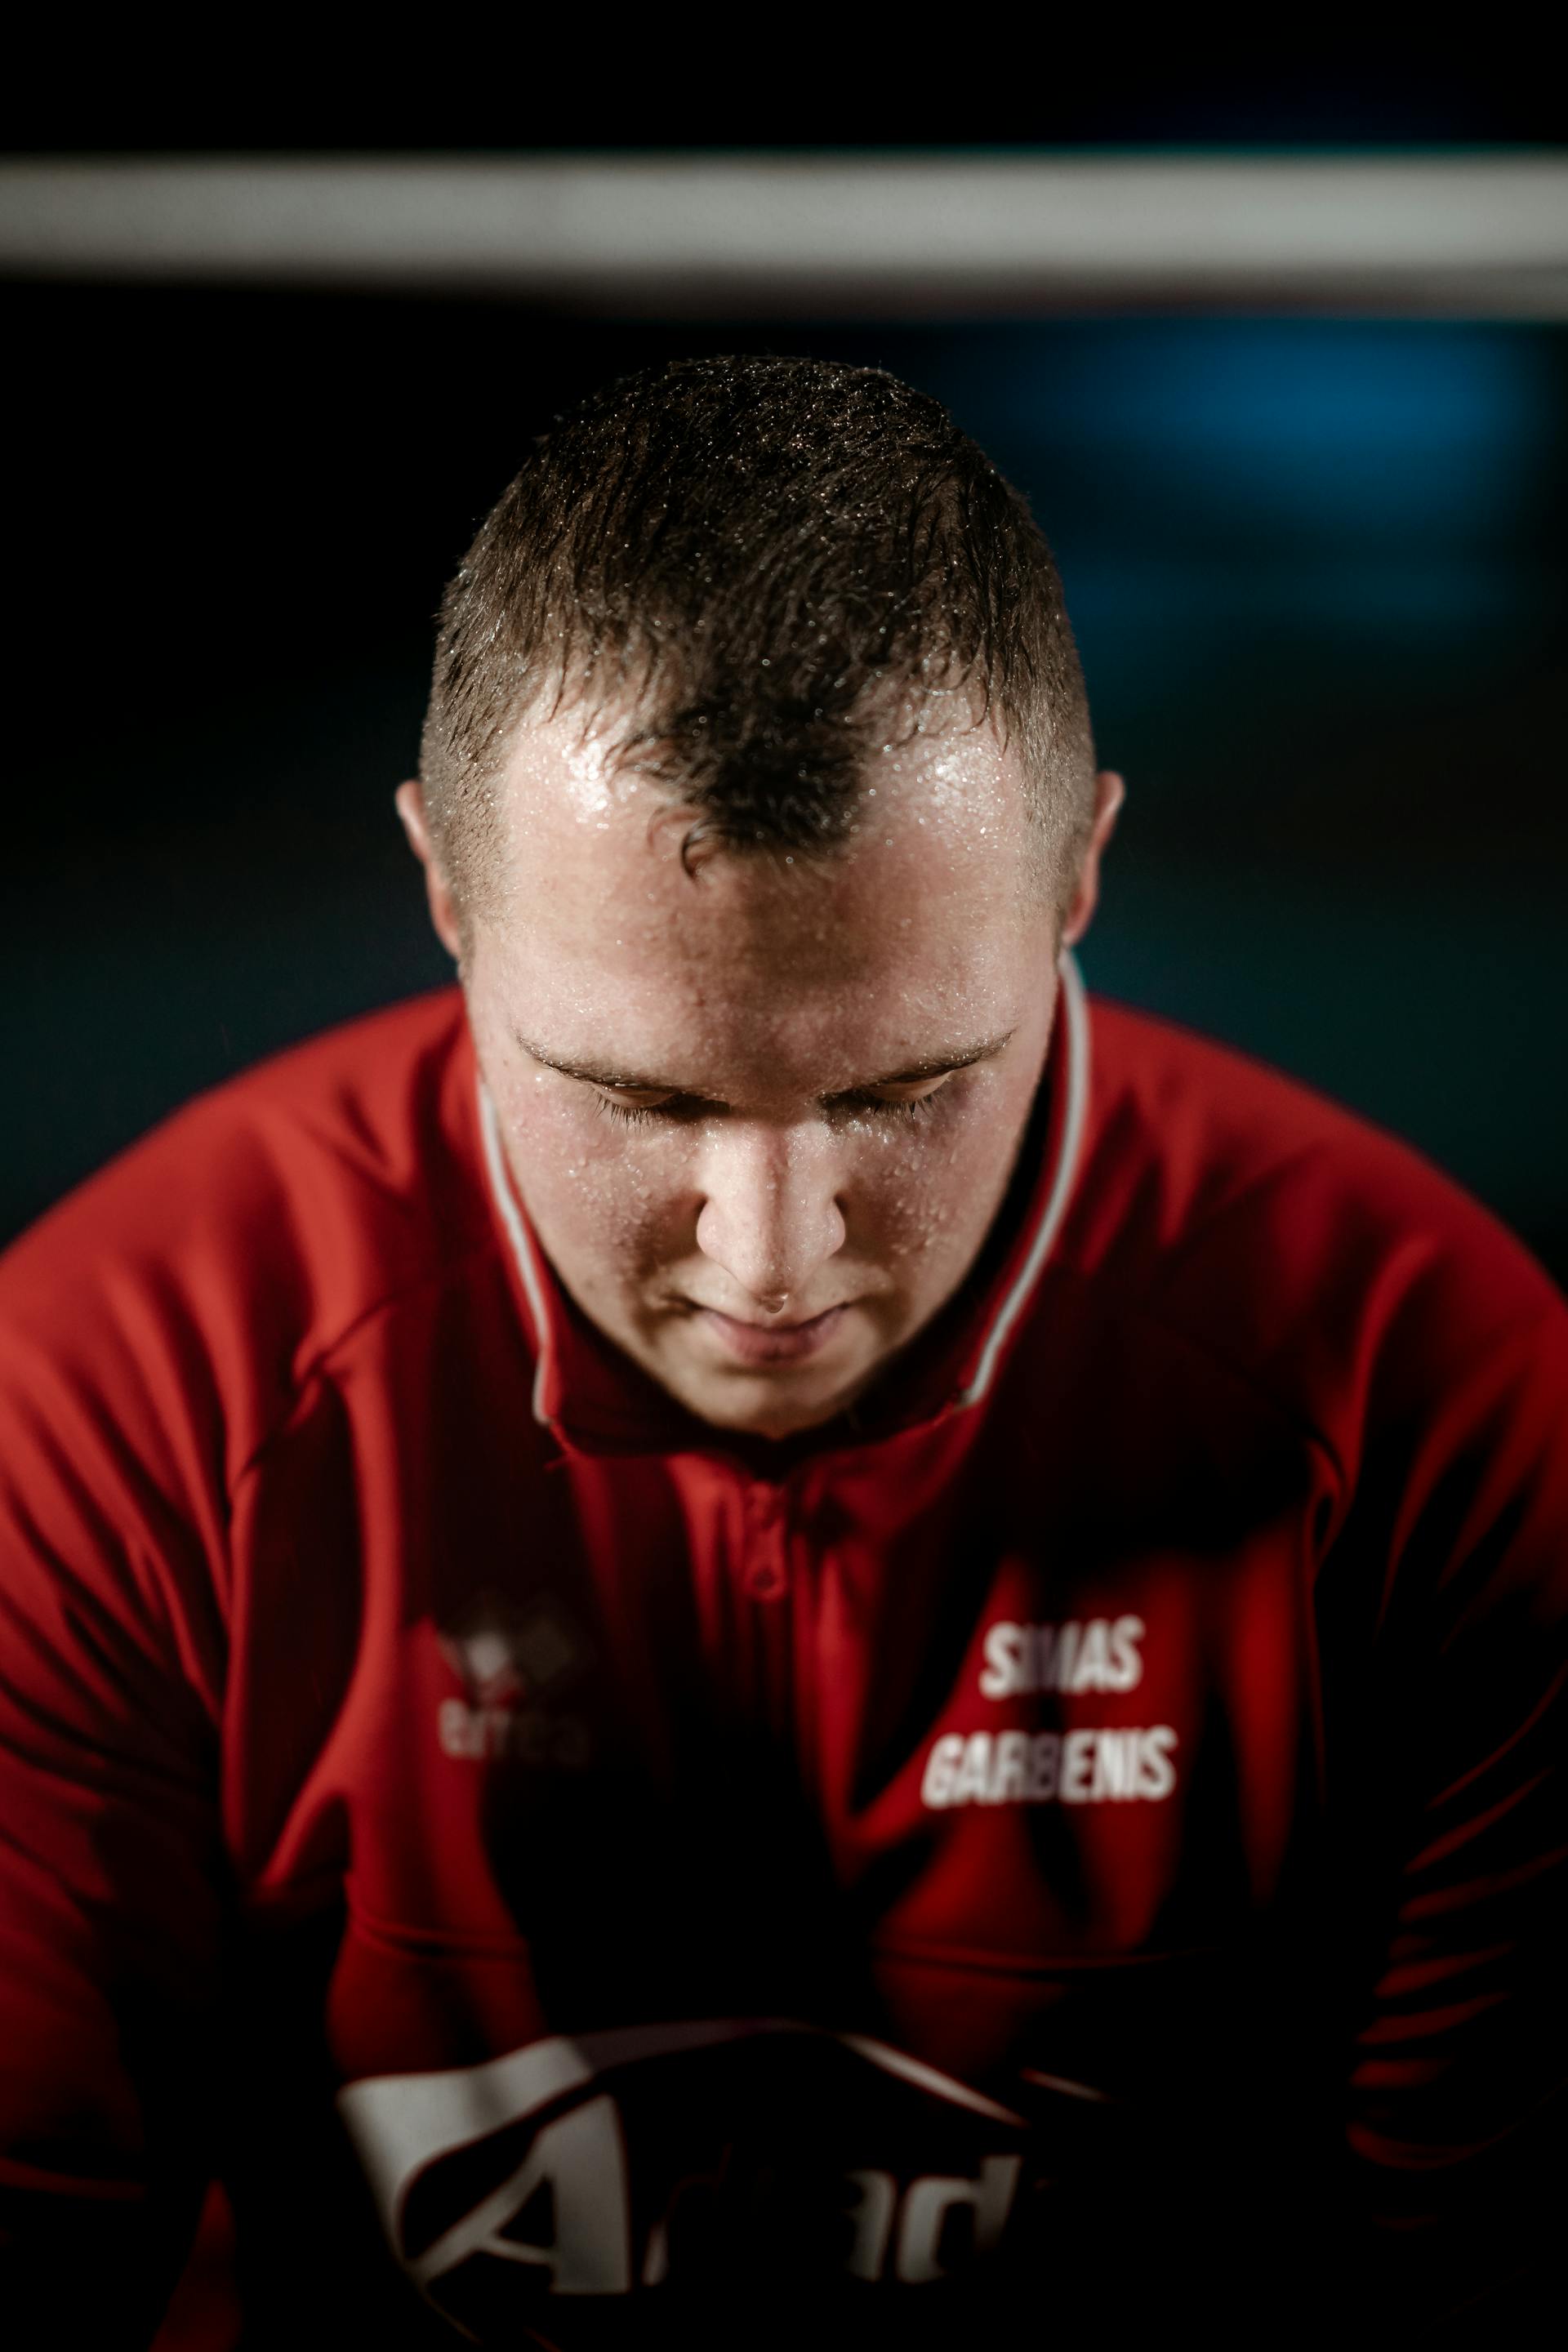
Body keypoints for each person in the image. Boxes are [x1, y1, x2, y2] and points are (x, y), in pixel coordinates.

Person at [1, 356, 1563, 2351]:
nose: (772, 1252)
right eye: (638, 1101)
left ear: (1081, 875)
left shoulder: (1436, 1410)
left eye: (908, 1085)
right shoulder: (117, 1404)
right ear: (441, 895)